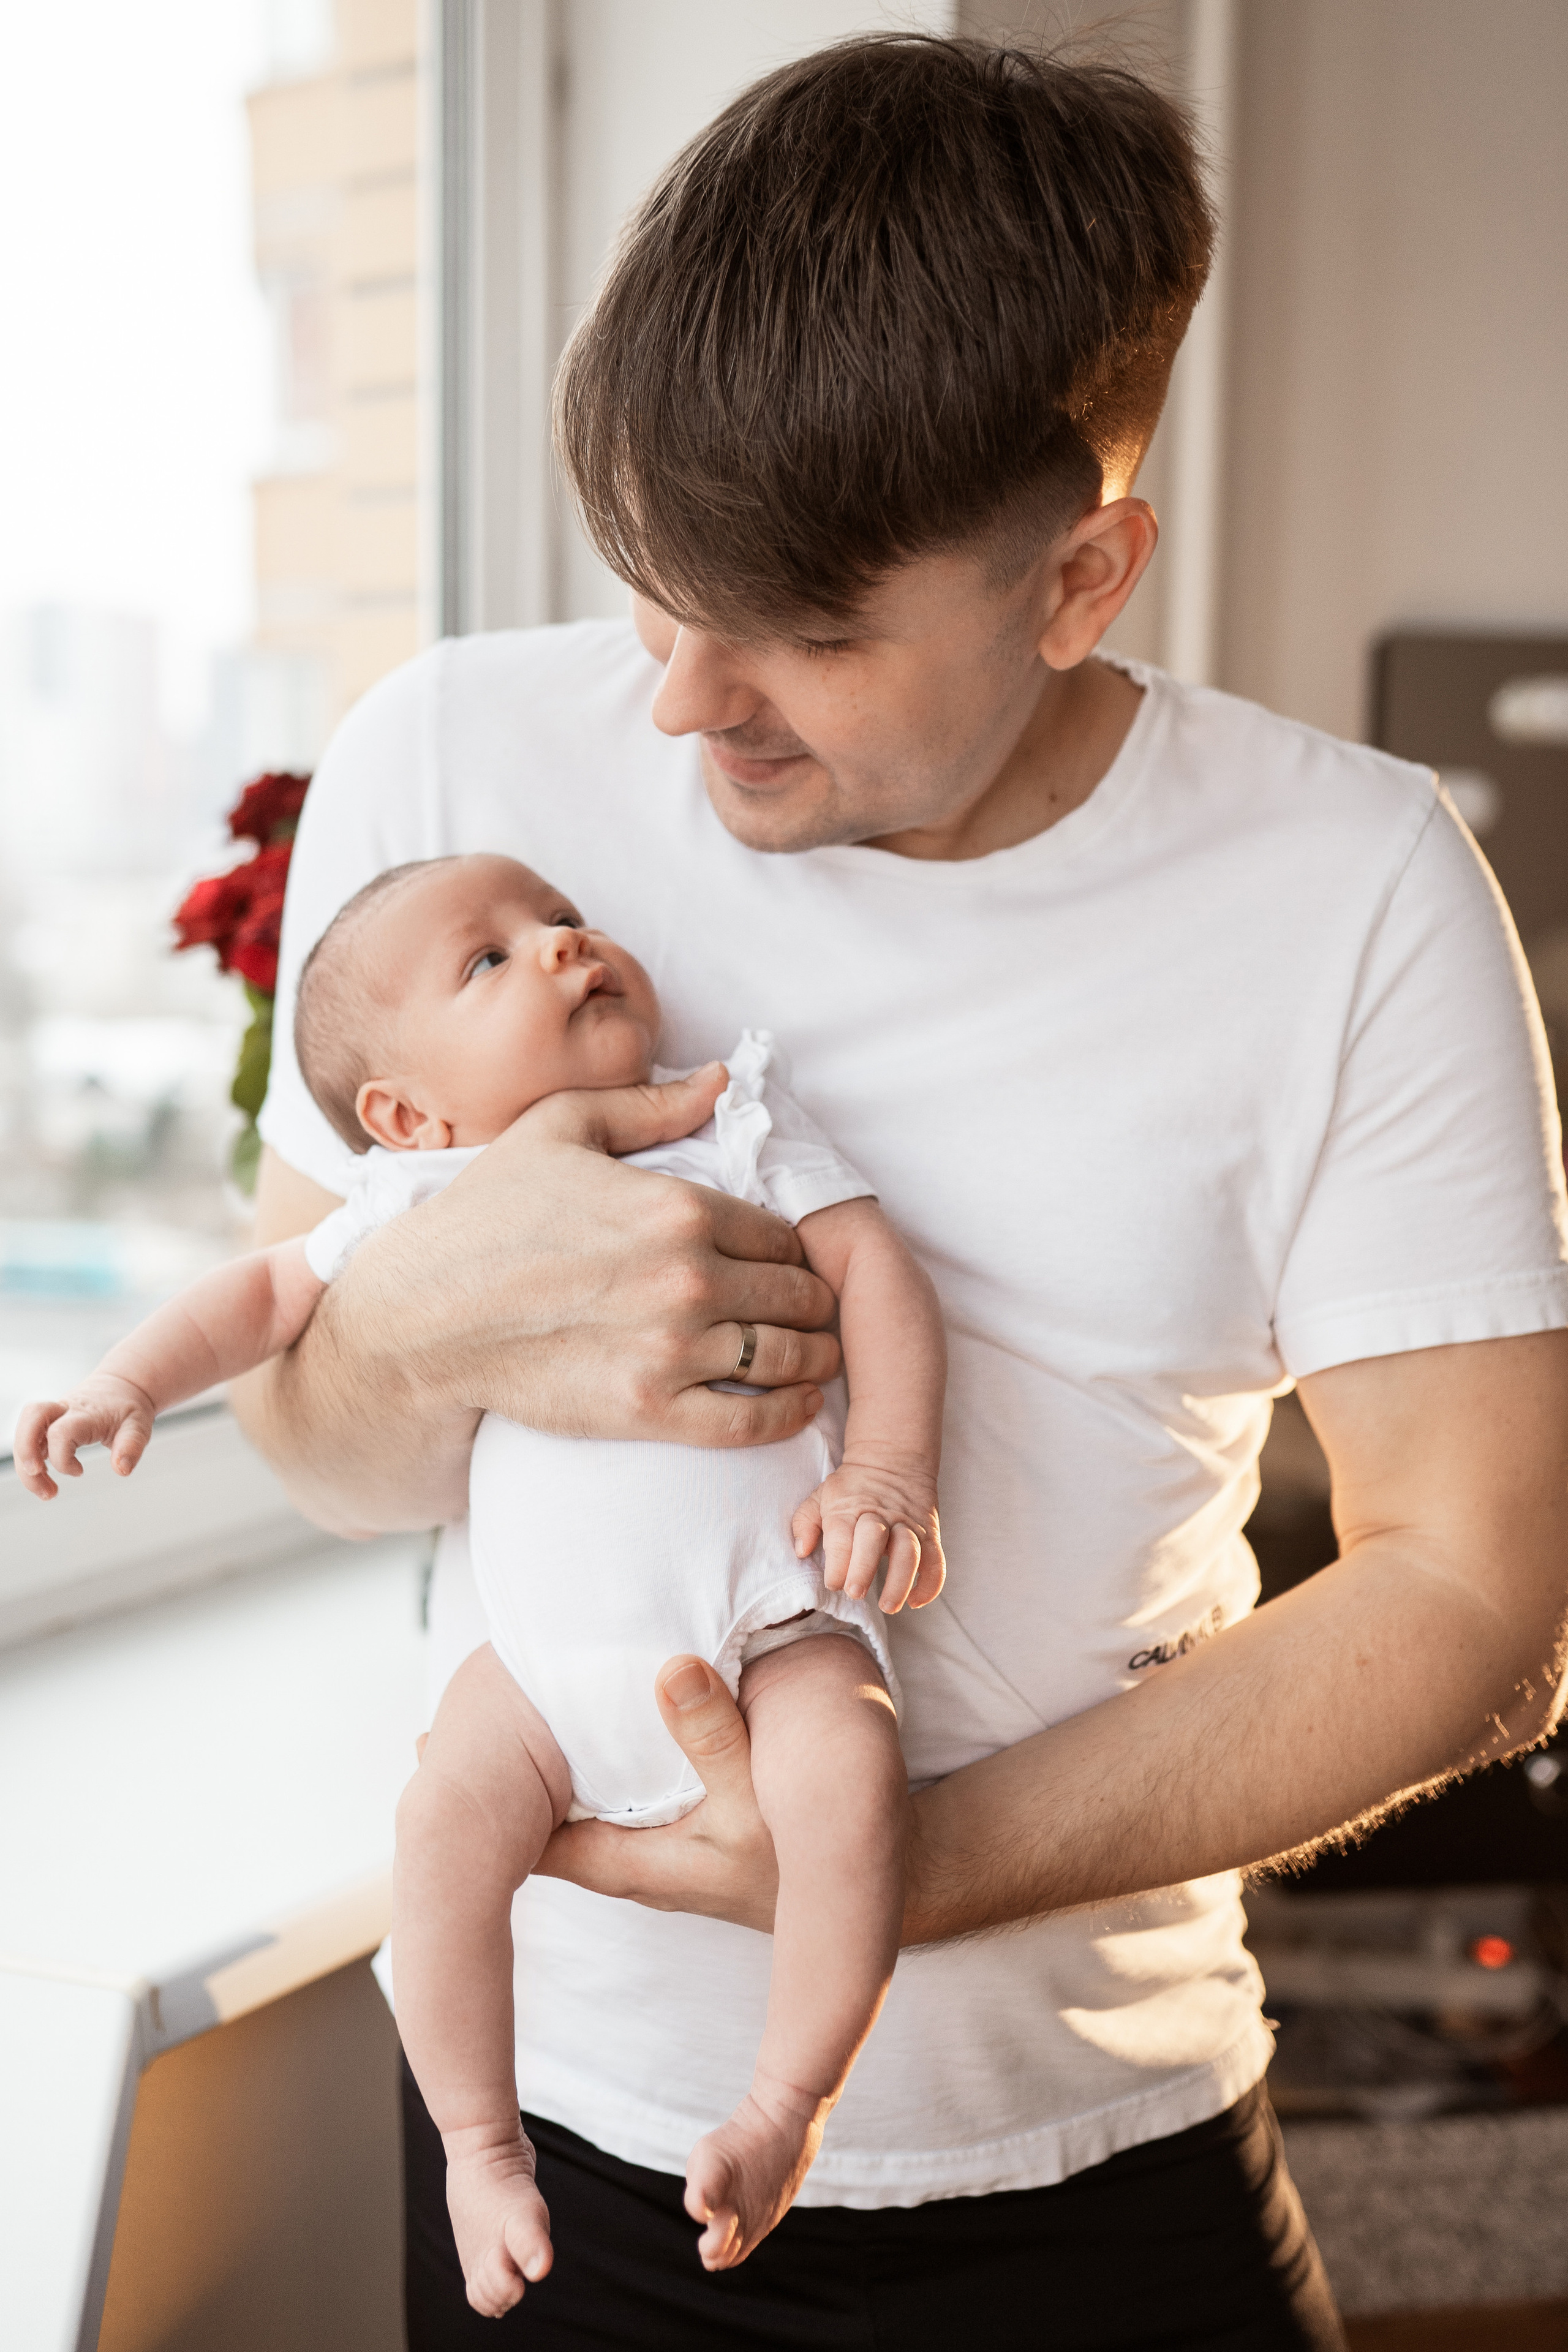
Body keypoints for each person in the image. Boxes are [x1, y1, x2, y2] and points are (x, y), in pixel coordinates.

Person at [232, 35, 1568, 2352]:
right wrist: (449, 1313)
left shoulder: (1355, 889)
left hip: (1096, 2179)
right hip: (551, 2188)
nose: (682, 706)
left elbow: (1481, 1596)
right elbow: (310, 1441)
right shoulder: (447, 769)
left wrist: (893, 1868)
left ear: (1082, 577)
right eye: (652, 591)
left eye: (810, 633)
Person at [16, 850, 948, 2304]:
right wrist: (128, 1381)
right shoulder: (421, 1200)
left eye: (561, 920)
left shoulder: (726, 1118)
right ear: (405, 1117)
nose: (563, 946)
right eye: (489, 960)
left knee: (848, 1782)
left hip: (771, 1620)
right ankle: (477, 2143)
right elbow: (263, 1294)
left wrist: (884, 1469)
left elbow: (876, 1272)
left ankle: (784, 2101)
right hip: (536, 1677)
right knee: (441, 1833)